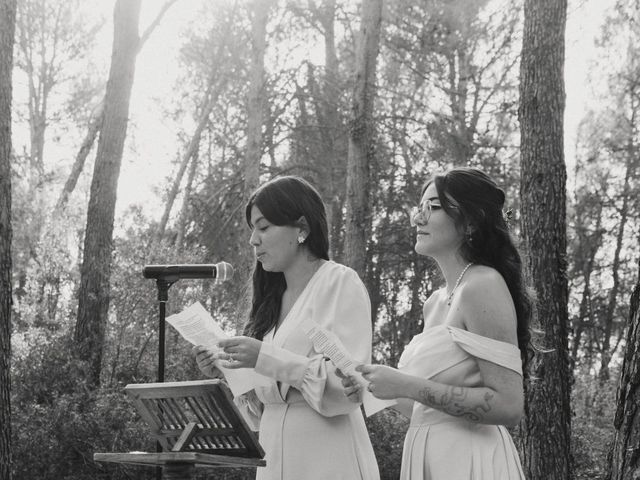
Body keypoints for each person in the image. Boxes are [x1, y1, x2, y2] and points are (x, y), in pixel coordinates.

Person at [342, 167, 532, 479]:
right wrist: (373, 387)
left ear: (470, 220)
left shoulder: (482, 284)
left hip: (470, 460)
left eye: (433, 207)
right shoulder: (434, 302)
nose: (418, 218)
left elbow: (510, 406)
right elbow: (425, 409)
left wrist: (405, 383)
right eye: (419, 208)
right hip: (428, 453)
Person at [194, 175, 380, 480]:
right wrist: (229, 372)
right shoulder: (269, 301)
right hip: (274, 455)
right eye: (253, 229)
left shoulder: (339, 282)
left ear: (302, 229)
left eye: (264, 227)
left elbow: (350, 386)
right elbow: (262, 406)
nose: (254, 239)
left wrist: (263, 357)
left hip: (328, 456)